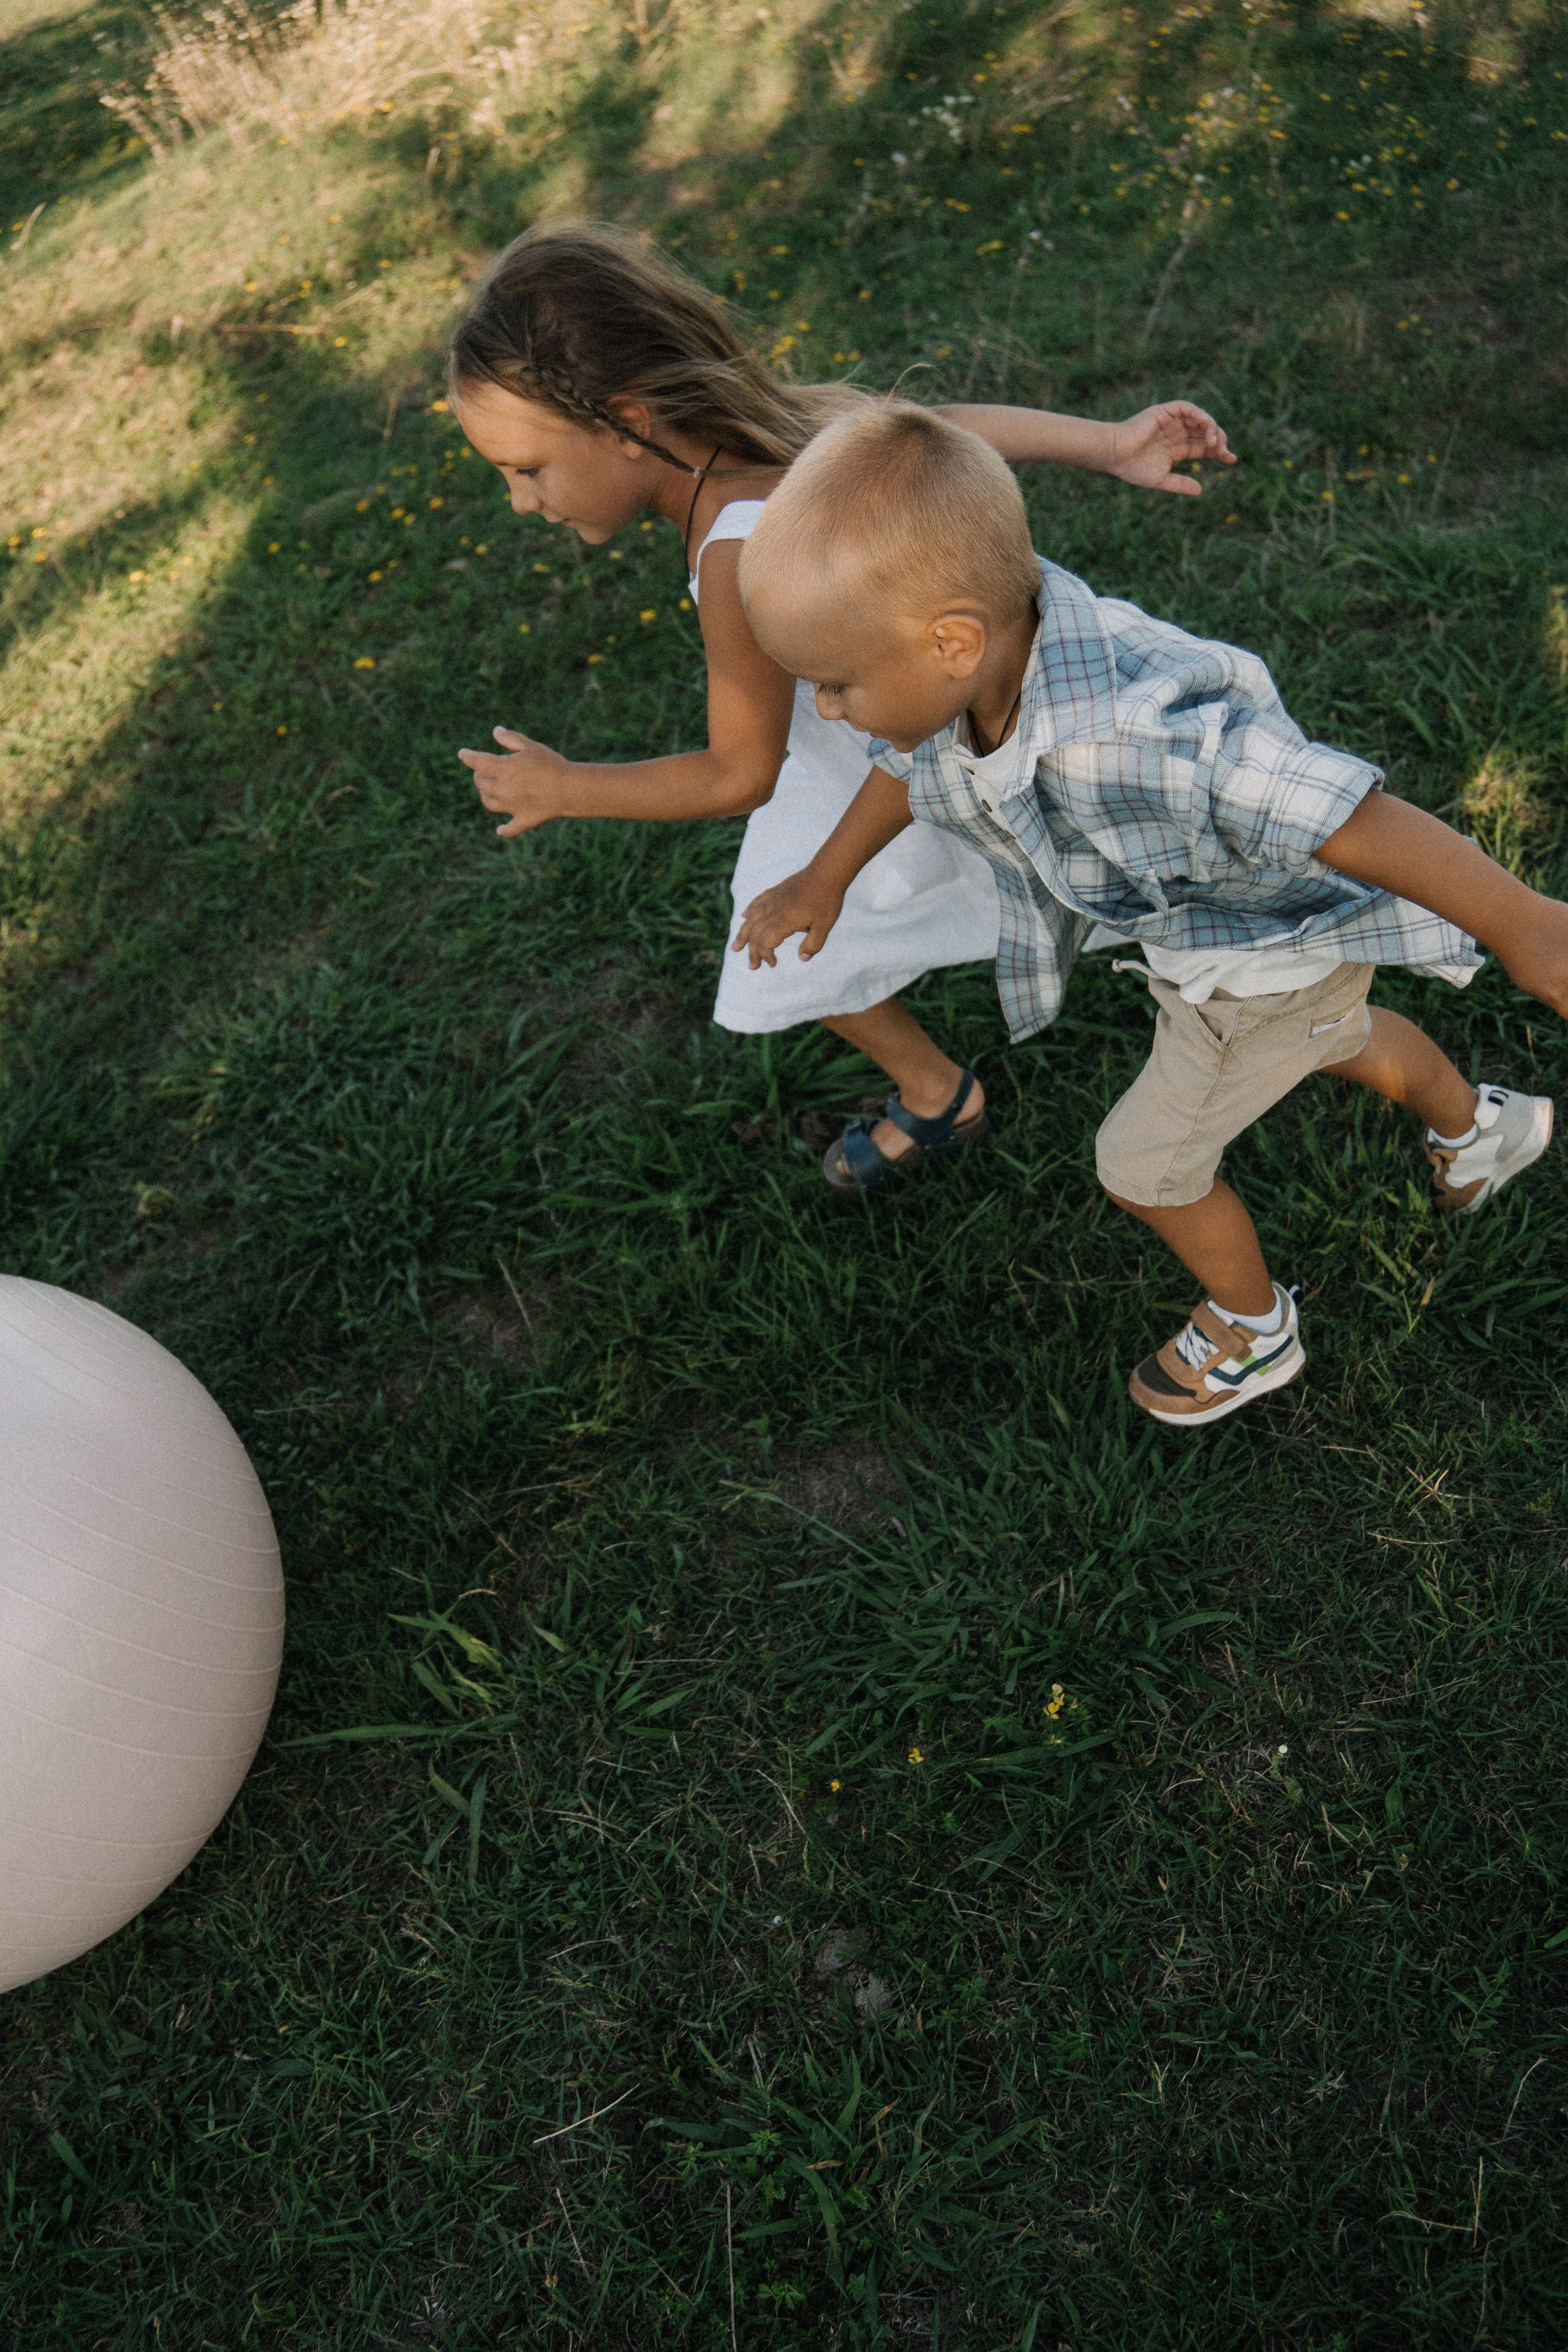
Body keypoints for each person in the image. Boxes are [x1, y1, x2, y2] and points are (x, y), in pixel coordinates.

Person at [730, 403, 1561, 1425]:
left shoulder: (1131, 735)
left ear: (950, 642)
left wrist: (1523, 922)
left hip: (1257, 951)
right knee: (1332, 1034)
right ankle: (1483, 1130)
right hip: (1215, 933)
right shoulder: (977, 668)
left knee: (1144, 1165)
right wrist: (823, 881)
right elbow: (908, 769)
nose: (823, 708)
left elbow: (1337, 808)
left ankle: (1254, 1330)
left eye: (834, 683)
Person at [450, 222, 1236, 1190]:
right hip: (904, 738)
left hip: (898, 749)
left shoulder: (733, 546)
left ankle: (970, 1081)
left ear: (623, 422)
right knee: (836, 924)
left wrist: (570, 787)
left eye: (528, 469)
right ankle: (940, 1089)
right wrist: (1109, 444)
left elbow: (740, 772)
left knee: (791, 932)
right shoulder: (785, 443)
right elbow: (941, 437)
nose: (521, 502)